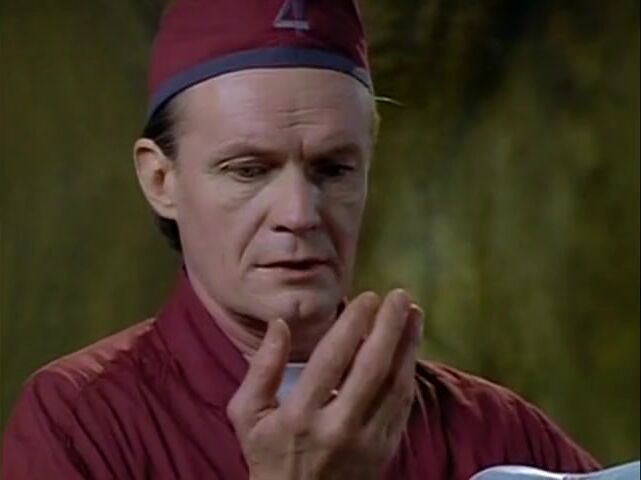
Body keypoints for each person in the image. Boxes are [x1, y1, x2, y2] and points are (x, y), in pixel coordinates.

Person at [2, 1, 602, 478]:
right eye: (248, 170)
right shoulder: (83, 427)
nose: (298, 213)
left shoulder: (494, 434)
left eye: (333, 170)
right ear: (161, 180)